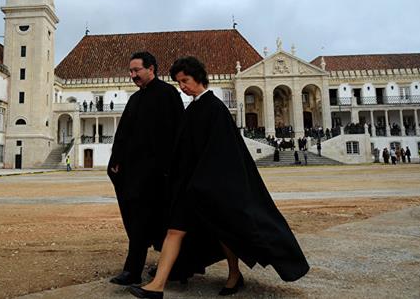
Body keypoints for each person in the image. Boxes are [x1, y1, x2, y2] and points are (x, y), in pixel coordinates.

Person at [129, 56, 308, 299]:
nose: (182, 86)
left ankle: (234, 274)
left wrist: (205, 181)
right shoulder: (192, 108)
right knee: (174, 231)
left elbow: (222, 152)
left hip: (208, 186)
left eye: (185, 80)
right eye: (178, 82)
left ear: (199, 78)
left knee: (224, 232)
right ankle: (157, 285)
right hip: (187, 187)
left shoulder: (214, 108)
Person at [107, 52, 184, 286]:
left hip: (158, 175)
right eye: (130, 71)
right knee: (136, 220)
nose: (132, 75)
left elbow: (178, 134)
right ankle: (153, 269)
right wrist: (116, 161)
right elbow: (123, 134)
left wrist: (170, 169)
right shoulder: (135, 99)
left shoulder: (168, 94)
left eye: (136, 70)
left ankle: (149, 269)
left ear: (151, 69)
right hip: (135, 174)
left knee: (157, 222)